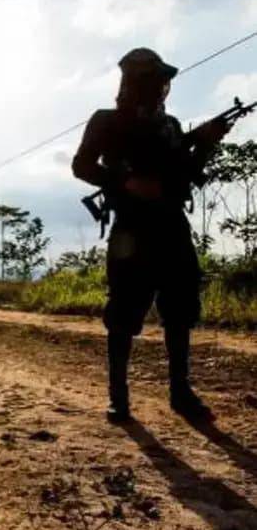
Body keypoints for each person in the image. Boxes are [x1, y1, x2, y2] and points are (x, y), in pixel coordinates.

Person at [72, 48, 229, 423]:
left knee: (180, 308)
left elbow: (186, 172)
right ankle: (119, 398)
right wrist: (125, 181)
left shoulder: (170, 126)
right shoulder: (106, 121)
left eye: (164, 81)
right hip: (131, 228)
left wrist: (208, 141)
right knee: (124, 311)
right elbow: (82, 165)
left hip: (171, 226)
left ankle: (180, 391)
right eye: (155, 80)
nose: (162, 88)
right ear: (134, 81)